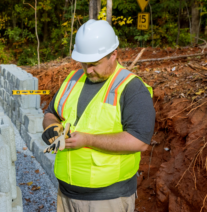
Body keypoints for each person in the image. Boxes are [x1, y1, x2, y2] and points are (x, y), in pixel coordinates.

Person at [41, 19, 155, 212]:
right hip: (66, 193)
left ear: (113, 55)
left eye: (94, 64)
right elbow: (51, 113)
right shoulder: (72, 79)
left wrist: (87, 139)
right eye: (84, 64)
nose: (88, 70)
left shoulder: (131, 88)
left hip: (108, 199)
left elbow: (139, 141)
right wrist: (52, 127)